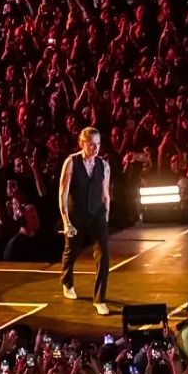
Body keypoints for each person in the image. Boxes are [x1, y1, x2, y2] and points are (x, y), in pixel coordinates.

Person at [59, 127, 112, 315]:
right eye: (91, 144)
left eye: (98, 144)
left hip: (97, 215)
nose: (95, 148)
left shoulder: (103, 165)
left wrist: (105, 218)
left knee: (103, 255)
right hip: (76, 215)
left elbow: (106, 194)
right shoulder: (71, 162)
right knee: (71, 252)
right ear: (82, 144)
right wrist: (66, 222)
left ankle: (99, 299)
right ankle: (67, 282)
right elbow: (63, 194)